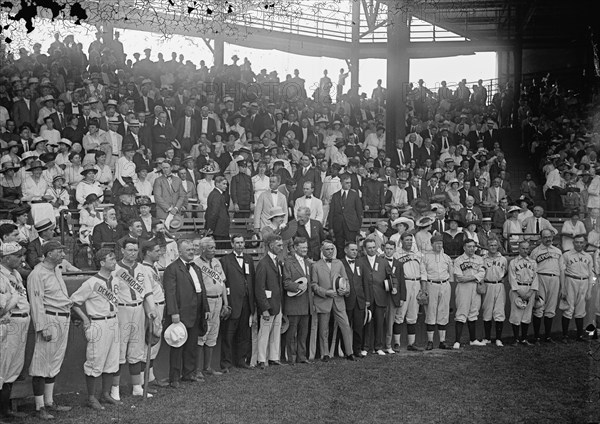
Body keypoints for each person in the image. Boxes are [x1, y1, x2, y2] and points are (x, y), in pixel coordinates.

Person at [69, 249, 121, 410]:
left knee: (112, 360)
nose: (114, 261)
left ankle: (105, 394)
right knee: (95, 360)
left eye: (114, 258)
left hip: (113, 320)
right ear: (102, 262)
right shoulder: (91, 283)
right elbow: (73, 302)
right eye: (110, 259)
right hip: (98, 322)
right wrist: (85, 319)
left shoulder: (116, 280)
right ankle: (91, 397)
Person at [27, 240, 73, 420]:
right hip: (49, 318)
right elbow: (36, 303)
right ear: (48, 254)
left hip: (63, 316)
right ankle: (39, 407)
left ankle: (49, 401)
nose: (62, 254)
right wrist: (42, 326)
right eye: (58, 251)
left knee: (54, 361)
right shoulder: (37, 274)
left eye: (62, 250)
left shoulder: (56, 270)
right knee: (41, 363)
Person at [111, 238, 157, 400]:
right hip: (122, 309)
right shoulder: (115, 268)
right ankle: (114, 388)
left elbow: (148, 291)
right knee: (120, 350)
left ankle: (137, 386)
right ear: (122, 250)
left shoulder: (142, 268)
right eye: (129, 250)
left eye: (135, 250)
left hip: (138, 309)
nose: (132, 253)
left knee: (137, 349)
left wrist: (151, 309)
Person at [164, 239, 210, 387]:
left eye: (192, 249)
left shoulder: (196, 267)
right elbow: (170, 293)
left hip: (196, 311)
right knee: (178, 345)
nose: (191, 252)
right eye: (188, 250)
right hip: (181, 313)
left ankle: (189, 373)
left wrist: (206, 308)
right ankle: (174, 378)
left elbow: (201, 289)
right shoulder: (172, 268)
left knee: (191, 345)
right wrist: (174, 312)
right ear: (180, 252)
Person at [311, 240, 355, 361]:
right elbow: (313, 285)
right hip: (324, 300)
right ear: (322, 251)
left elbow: (345, 280)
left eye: (332, 249)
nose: (330, 251)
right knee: (323, 328)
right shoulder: (316, 265)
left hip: (338, 300)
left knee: (345, 325)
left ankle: (349, 352)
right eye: (327, 249)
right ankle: (325, 354)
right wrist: (325, 292)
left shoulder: (339, 263)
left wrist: (345, 290)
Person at [0, 242, 29, 420]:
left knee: (13, 368)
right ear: (5, 257)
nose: (21, 258)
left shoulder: (15, 273)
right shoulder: (1, 275)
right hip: (9, 323)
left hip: (21, 321)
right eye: (17, 255)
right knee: (2, 368)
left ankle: (6, 410)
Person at [219, 234, 255, 370]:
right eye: (237, 243)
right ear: (232, 244)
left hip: (246, 301)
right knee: (228, 334)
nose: (240, 245)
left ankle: (241, 360)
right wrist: (226, 302)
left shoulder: (249, 259)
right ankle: (226, 363)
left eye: (242, 242)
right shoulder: (225, 260)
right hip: (232, 301)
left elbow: (252, 279)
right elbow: (224, 282)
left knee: (244, 333)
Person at [194, 237, 229, 376]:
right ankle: (197, 369)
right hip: (206, 301)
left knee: (213, 333)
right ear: (203, 249)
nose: (213, 250)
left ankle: (207, 367)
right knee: (202, 333)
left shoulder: (216, 262)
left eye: (214, 247)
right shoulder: (196, 264)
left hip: (218, 300)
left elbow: (222, 283)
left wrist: (226, 303)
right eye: (210, 248)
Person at [137, 240, 168, 388]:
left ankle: (150, 377)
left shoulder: (153, 267)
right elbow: (147, 293)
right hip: (152, 307)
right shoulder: (143, 268)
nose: (159, 253)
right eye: (156, 251)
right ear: (148, 252)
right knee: (149, 342)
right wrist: (151, 311)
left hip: (159, 305)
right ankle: (143, 380)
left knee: (155, 343)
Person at [282, 237, 314, 364]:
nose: (305, 250)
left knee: (303, 333)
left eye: (306, 247)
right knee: (291, 334)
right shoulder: (289, 262)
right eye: (302, 248)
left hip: (306, 304)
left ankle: (302, 356)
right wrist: (297, 287)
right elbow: (286, 282)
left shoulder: (308, 263)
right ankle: (290, 357)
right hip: (294, 303)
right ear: (295, 248)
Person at [255, 234, 285, 369]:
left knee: (276, 332)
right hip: (268, 305)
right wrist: (265, 308)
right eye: (279, 245)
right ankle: (261, 359)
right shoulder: (263, 263)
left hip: (277, 303)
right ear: (271, 246)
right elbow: (259, 288)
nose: (281, 248)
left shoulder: (277, 261)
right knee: (265, 333)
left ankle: (273, 357)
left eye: (282, 245)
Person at [421, 234, 453, 350]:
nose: (439, 245)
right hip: (431, 284)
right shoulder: (426, 257)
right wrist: (424, 290)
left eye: (441, 243)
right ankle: (430, 341)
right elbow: (423, 274)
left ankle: (442, 341)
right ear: (432, 244)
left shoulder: (446, 257)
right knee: (431, 312)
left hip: (444, 284)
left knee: (443, 312)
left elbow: (451, 274)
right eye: (437, 243)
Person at [452, 238, 486, 349]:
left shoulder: (480, 259)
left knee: (474, 311)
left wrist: (471, 277)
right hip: (463, 288)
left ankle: (473, 339)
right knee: (462, 312)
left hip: (475, 287)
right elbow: (459, 277)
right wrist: (474, 277)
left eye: (473, 246)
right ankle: (457, 341)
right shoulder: (458, 260)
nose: (472, 249)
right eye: (469, 246)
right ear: (464, 247)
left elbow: (482, 273)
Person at [559, 234, 593, 343]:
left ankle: (579, 336)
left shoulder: (588, 256)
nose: (579, 244)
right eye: (577, 242)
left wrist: (589, 290)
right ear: (573, 243)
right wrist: (563, 288)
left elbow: (591, 274)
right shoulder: (567, 255)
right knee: (568, 309)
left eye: (581, 242)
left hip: (584, 282)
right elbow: (562, 272)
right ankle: (565, 336)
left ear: (584, 244)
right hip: (570, 280)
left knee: (580, 310)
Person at [530, 229, 562, 344]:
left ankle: (548, 337)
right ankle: (537, 337)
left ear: (552, 237)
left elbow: (561, 269)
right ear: (541, 238)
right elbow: (532, 271)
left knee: (551, 309)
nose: (548, 239)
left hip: (555, 279)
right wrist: (535, 287)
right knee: (539, 307)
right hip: (541, 278)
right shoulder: (535, 251)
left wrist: (562, 286)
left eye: (549, 237)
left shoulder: (558, 251)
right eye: (545, 237)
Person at [394, 233, 424, 351]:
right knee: (400, 314)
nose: (409, 242)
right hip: (404, 283)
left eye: (411, 240)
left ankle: (411, 344)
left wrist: (423, 287)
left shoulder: (418, 254)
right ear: (401, 241)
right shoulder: (396, 254)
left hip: (416, 283)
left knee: (413, 314)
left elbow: (423, 271)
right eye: (406, 240)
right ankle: (396, 343)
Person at [341, 241, 370, 358]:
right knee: (345, 327)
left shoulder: (360, 263)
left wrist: (367, 299)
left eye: (356, 250)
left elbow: (365, 282)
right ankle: (345, 350)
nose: (354, 252)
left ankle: (357, 349)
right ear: (345, 250)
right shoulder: (340, 263)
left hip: (360, 301)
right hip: (346, 300)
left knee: (358, 327)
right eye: (352, 250)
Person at [507, 240, 538, 346]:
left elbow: (535, 278)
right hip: (517, 289)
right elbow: (511, 278)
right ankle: (516, 339)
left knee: (527, 315)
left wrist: (530, 292)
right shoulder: (513, 262)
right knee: (516, 315)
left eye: (527, 248)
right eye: (523, 248)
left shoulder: (533, 262)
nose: (525, 250)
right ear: (519, 249)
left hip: (529, 289)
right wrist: (520, 292)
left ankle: (524, 339)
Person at [480, 238, 507, 346]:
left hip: (499, 284)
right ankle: (487, 338)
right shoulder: (483, 259)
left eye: (495, 245)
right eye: (491, 245)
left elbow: (505, 272)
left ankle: (498, 339)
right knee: (487, 311)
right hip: (488, 284)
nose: (493, 247)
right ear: (487, 246)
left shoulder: (503, 259)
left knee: (499, 311)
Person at [381, 240, 407, 353]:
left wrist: (402, 297)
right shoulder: (379, 261)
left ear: (395, 250)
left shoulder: (399, 264)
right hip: (381, 295)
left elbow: (401, 281)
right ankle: (377, 346)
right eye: (387, 248)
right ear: (383, 249)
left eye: (391, 249)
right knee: (379, 321)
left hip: (394, 297)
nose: (388, 251)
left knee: (391, 322)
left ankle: (388, 346)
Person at [329, 173, 363, 258]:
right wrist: (331, 227)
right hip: (338, 225)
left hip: (351, 225)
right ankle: (341, 263)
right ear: (341, 183)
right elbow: (331, 212)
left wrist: (358, 226)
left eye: (350, 183)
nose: (349, 184)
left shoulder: (354, 195)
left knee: (351, 246)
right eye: (346, 183)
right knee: (339, 246)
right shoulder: (335, 195)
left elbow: (359, 211)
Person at [205, 176, 230, 242]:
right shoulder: (216, 195)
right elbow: (213, 213)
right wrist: (211, 228)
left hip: (220, 229)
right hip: (218, 230)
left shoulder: (217, 194)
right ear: (217, 184)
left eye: (226, 184)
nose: (226, 186)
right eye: (223, 184)